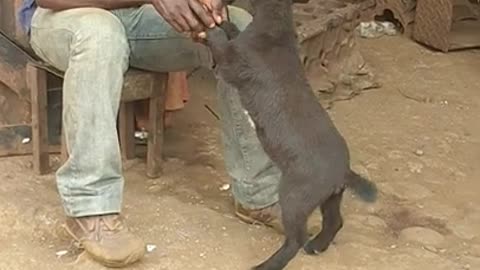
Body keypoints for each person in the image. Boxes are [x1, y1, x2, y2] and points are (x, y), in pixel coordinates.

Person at [18, 0, 282, 267]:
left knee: (238, 29)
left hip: (138, 16)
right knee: (99, 33)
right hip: (61, 16)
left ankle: (258, 195)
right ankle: (90, 210)